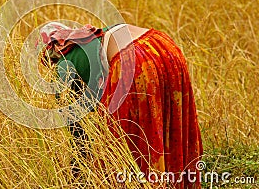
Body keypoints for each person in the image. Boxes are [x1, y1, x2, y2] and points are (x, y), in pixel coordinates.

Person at [39, 22, 203, 188]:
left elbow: (79, 138)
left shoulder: (62, 69)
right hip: (163, 45)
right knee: (171, 127)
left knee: (128, 152)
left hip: (136, 63)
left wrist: (75, 179)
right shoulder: (92, 35)